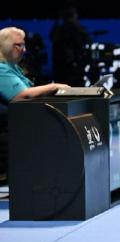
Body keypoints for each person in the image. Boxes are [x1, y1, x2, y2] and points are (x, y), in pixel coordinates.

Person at [0, 27, 70, 182]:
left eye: (24, 45)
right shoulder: (1, 69)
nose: (24, 50)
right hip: (8, 128)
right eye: (19, 45)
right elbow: (22, 96)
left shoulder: (13, 67)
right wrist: (54, 87)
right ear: (6, 46)